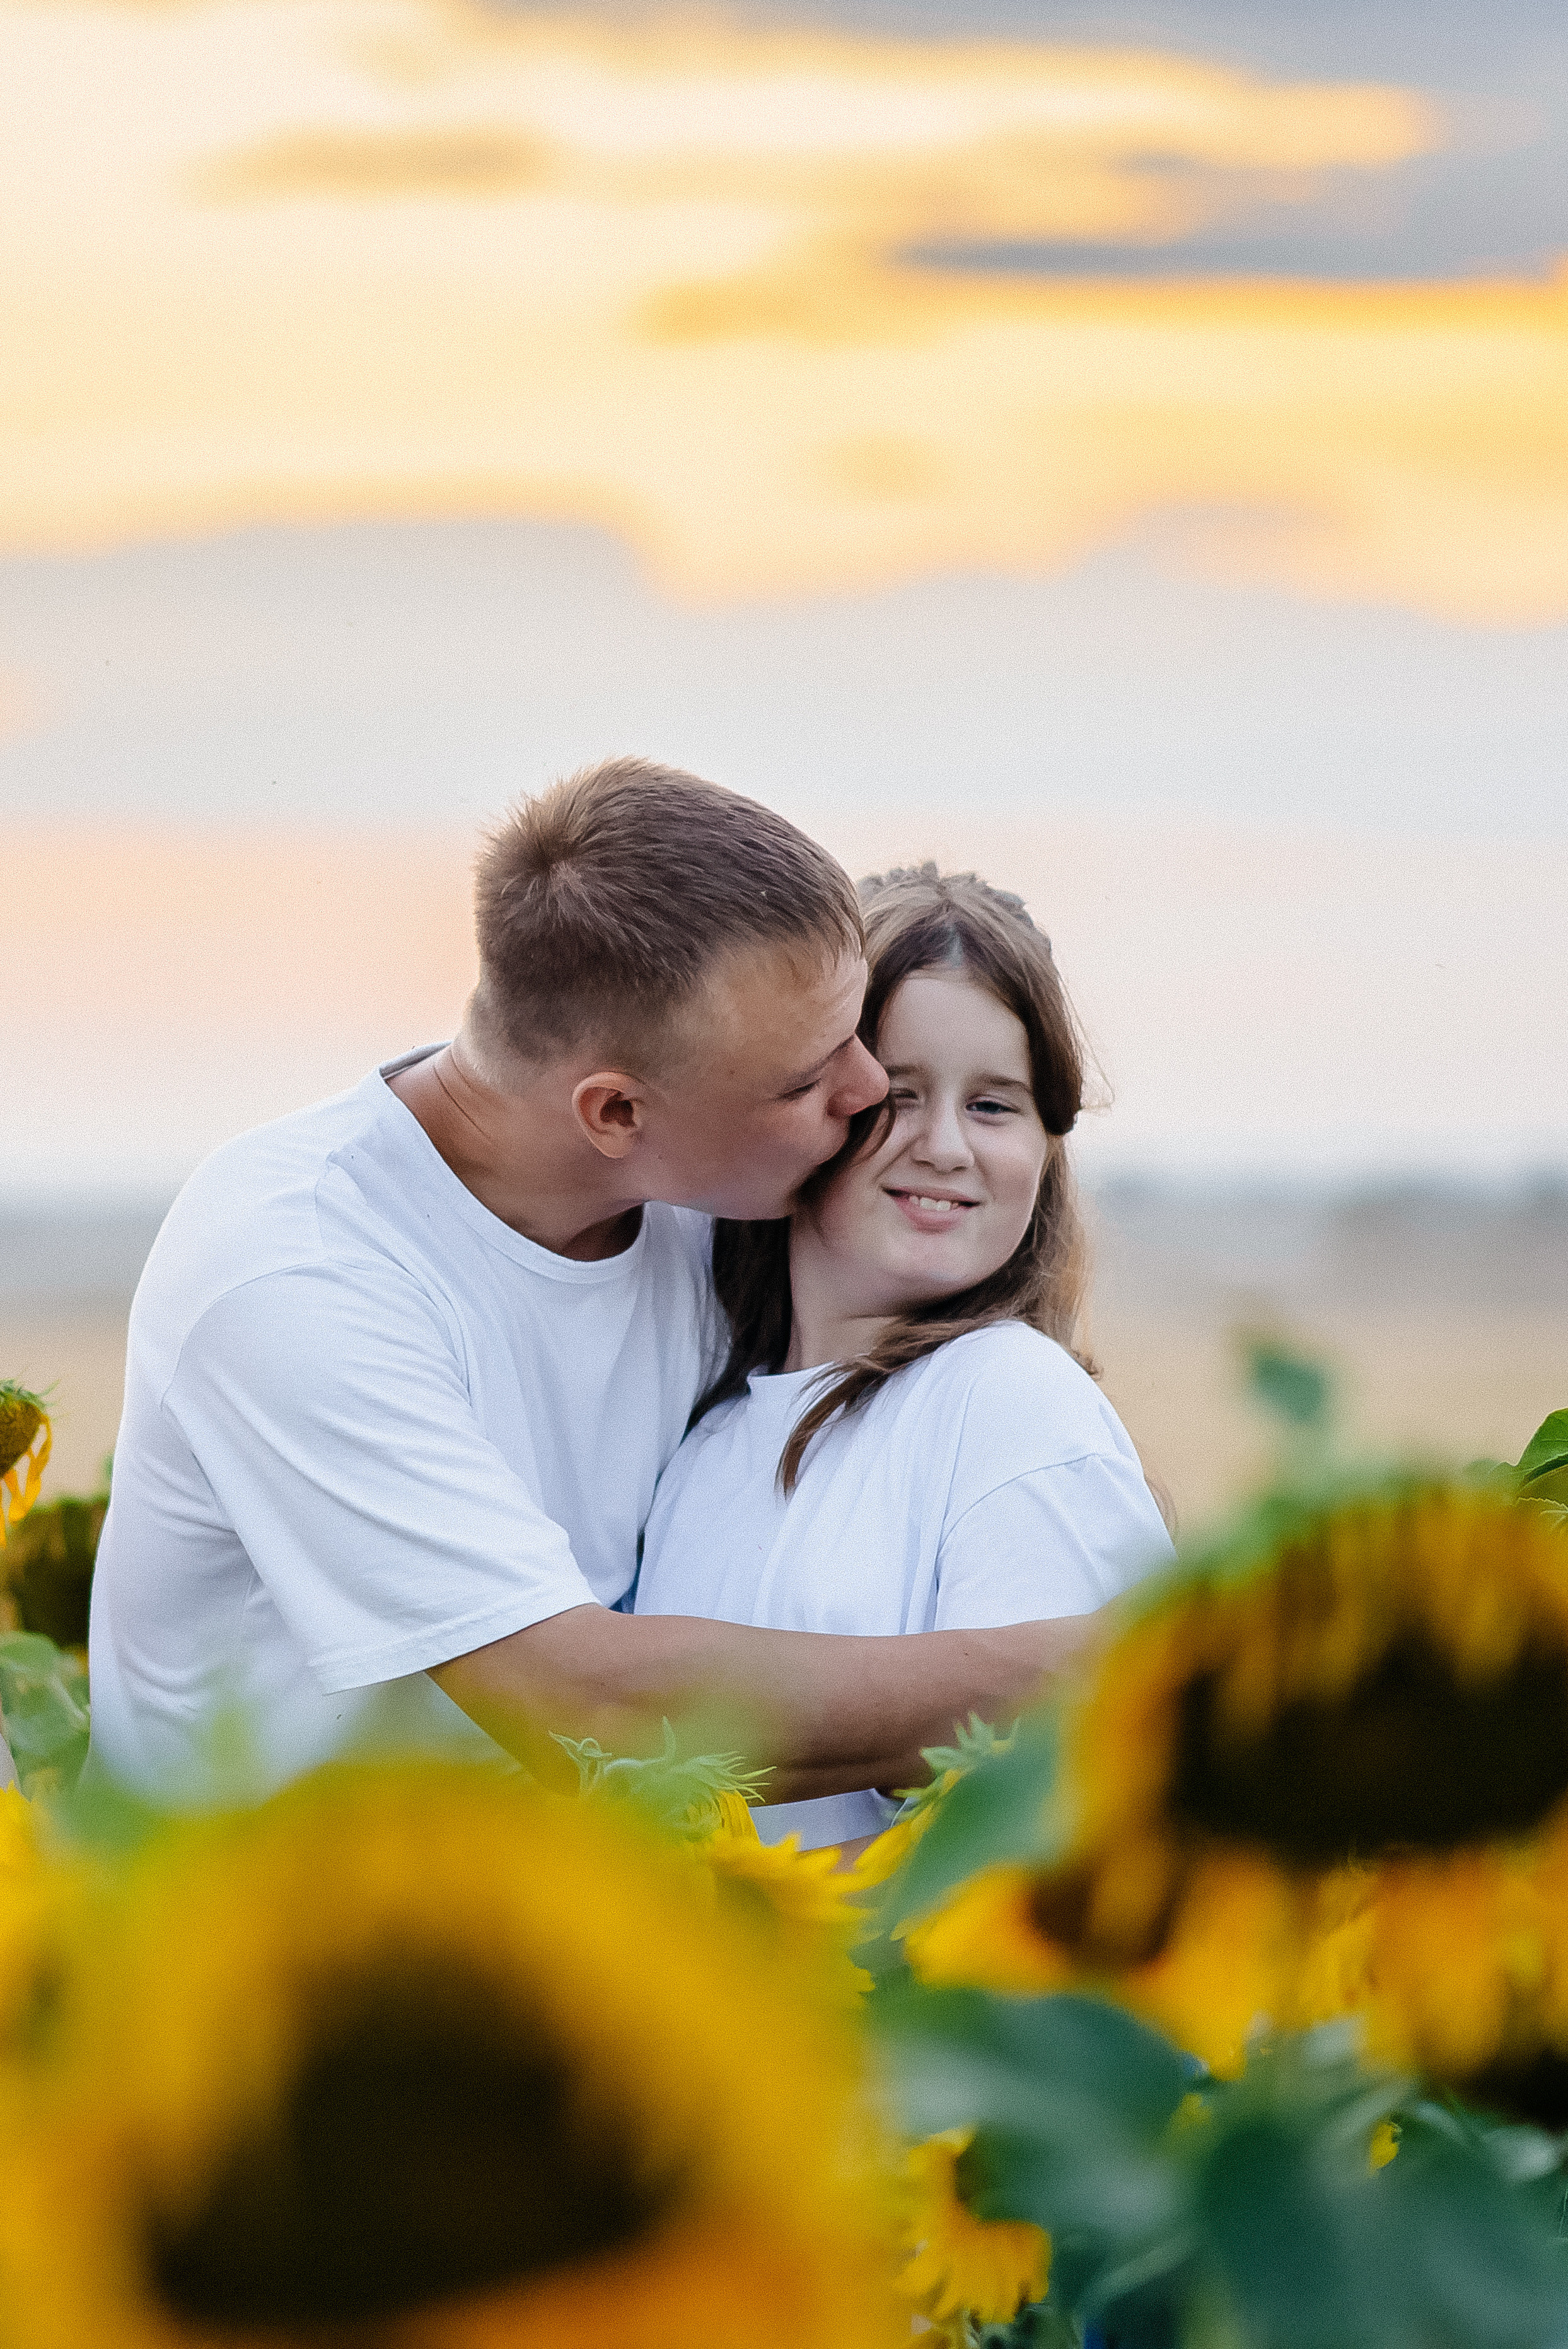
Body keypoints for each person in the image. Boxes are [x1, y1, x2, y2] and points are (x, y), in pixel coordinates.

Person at [87, 763, 1091, 1802]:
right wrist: (1104, 1660)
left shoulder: (703, 1192)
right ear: (614, 1114)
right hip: (248, 1927)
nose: (867, 1087)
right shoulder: (296, 1271)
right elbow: (589, 1709)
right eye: (807, 1076)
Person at [636, 865, 1174, 1850]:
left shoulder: (1009, 1400)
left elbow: (1058, 1823)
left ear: (1049, 1145)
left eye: (996, 1105)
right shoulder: (706, 1442)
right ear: (810, 1109)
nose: (946, 1146)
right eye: (901, 1094)